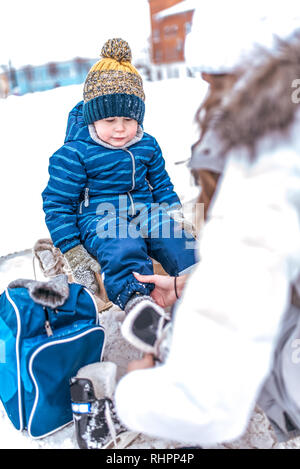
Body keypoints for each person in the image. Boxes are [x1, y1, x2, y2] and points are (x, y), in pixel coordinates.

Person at [112, 2, 300, 447]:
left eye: (210, 74)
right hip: (114, 218)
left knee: (168, 233)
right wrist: (191, 283)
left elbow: (208, 406)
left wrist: (135, 392)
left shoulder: (269, 166)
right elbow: (270, 254)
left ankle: (177, 340)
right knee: (117, 239)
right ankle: (153, 303)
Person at [42, 38, 197, 322]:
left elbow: (161, 183)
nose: (120, 129)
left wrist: (174, 215)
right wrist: (73, 250)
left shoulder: (147, 144)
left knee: (175, 239)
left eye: (128, 119)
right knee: (123, 244)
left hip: (145, 212)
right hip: (100, 219)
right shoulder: (74, 153)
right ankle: (137, 301)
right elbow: (58, 204)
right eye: (109, 120)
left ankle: (196, 285)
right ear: (93, 118)